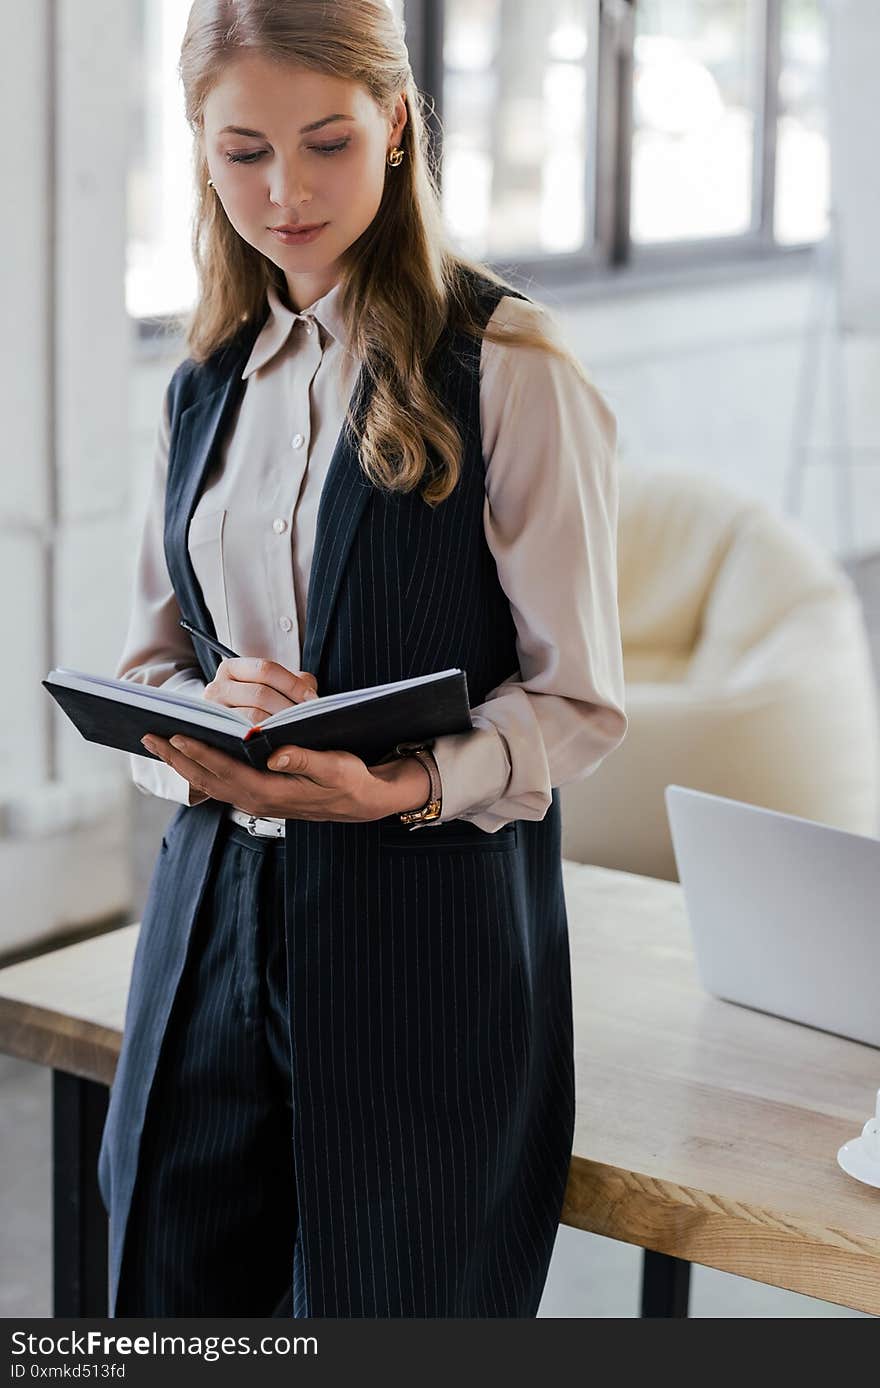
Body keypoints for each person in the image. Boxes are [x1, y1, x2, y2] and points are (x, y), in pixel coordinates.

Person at [97, 0, 628, 1318]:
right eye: (243, 153)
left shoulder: (509, 367)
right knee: (166, 1297)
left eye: (327, 141)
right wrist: (193, 726)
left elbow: (577, 703)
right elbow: (154, 655)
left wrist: (397, 787)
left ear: (397, 126)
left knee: (395, 1308)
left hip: (426, 945)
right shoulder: (205, 378)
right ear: (200, 151)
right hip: (208, 926)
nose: (284, 194)